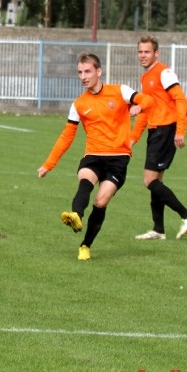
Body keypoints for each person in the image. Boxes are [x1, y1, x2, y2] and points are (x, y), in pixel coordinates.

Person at [37, 53, 154, 261]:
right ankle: (76, 216)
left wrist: (139, 105)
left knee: (101, 201)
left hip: (118, 157)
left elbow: (148, 99)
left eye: (88, 71)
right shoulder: (79, 104)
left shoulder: (120, 91)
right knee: (85, 177)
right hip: (93, 155)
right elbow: (67, 136)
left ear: (99, 72)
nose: (83, 76)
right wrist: (49, 164)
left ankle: (85, 245)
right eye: (80, 72)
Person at [130, 36, 187, 240]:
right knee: (157, 181)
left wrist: (180, 130)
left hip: (166, 130)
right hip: (156, 130)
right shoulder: (145, 78)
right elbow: (146, 109)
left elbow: (181, 100)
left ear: (156, 53)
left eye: (147, 52)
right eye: (140, 52)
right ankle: (158, 229)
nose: (143, 55)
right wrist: (133, 137)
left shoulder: (164, 73)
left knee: (149, 180)